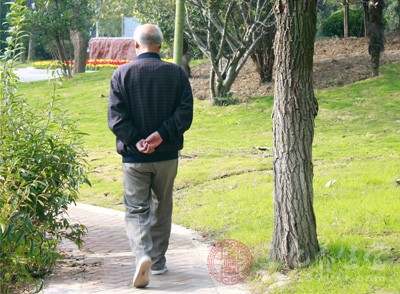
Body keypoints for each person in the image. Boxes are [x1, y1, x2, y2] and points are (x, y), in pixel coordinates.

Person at [107, 24, 193, 288]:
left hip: (134, 158)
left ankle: (142, 253)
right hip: (167, 155)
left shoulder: (121, 74)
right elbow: (184, 114)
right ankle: (157, 261)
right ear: (160, 45)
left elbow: (116, 119)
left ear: (136, 45)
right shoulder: (177, 74)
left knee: (136, 209)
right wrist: (161, 135)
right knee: (162, 206)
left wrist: (137, 140)